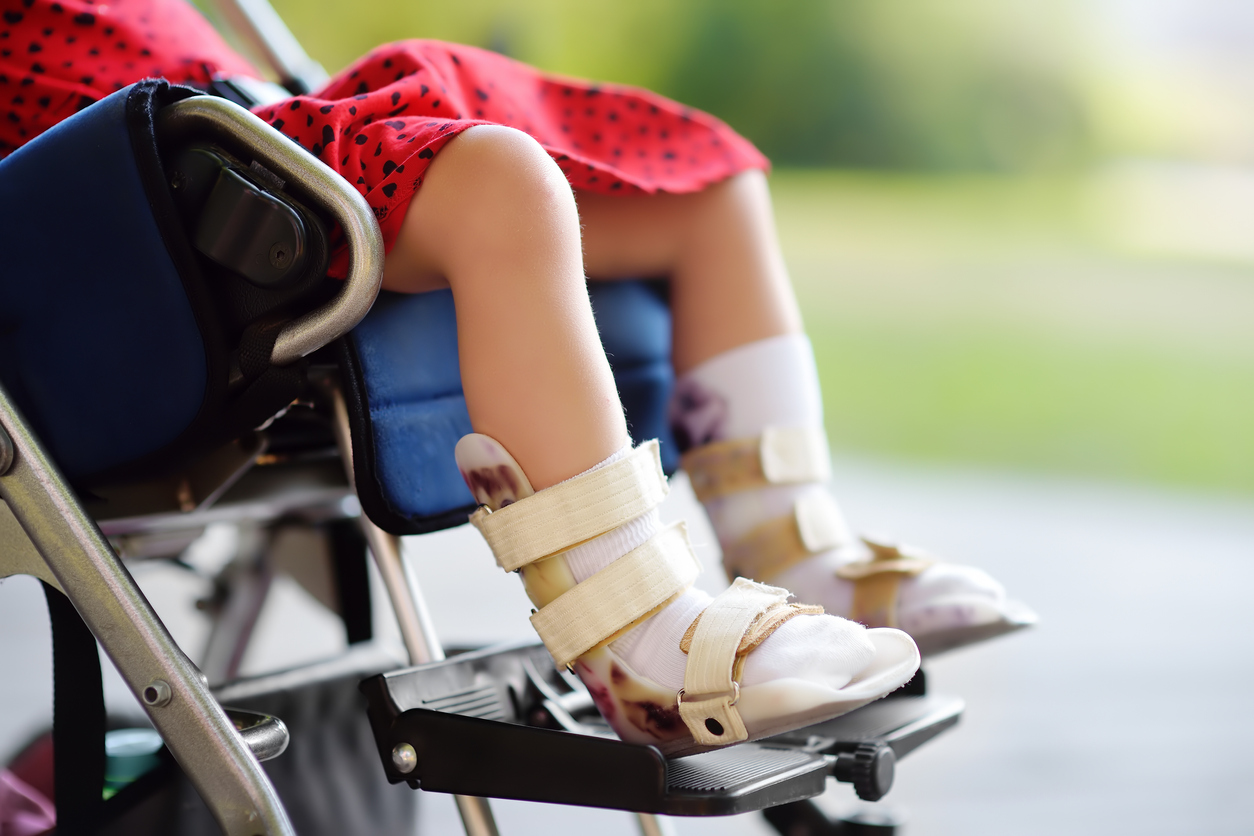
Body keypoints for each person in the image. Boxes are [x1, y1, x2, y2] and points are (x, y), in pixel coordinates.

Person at [0, 0, 1029, 753]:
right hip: (147, 229)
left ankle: (798, 546)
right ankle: (641, 644)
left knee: (709, 183)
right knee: (499, 184)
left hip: (250, 139)